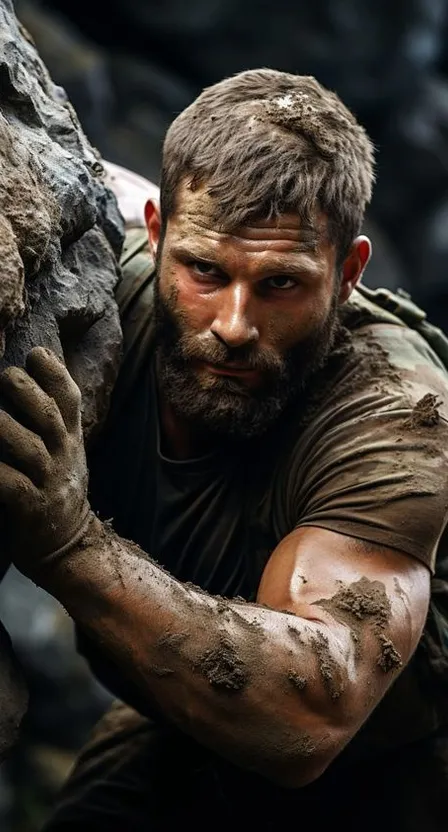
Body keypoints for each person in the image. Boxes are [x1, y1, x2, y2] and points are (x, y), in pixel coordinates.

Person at [0, 70, 447, 831]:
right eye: (205, 270)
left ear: (348, 273)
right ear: (156, 230)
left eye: (279, 284)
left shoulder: (399, 416)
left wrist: (70, 544)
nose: (234, 323)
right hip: (178, 708)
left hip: (391, 771)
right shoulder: (99, 264)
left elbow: (311, 712)